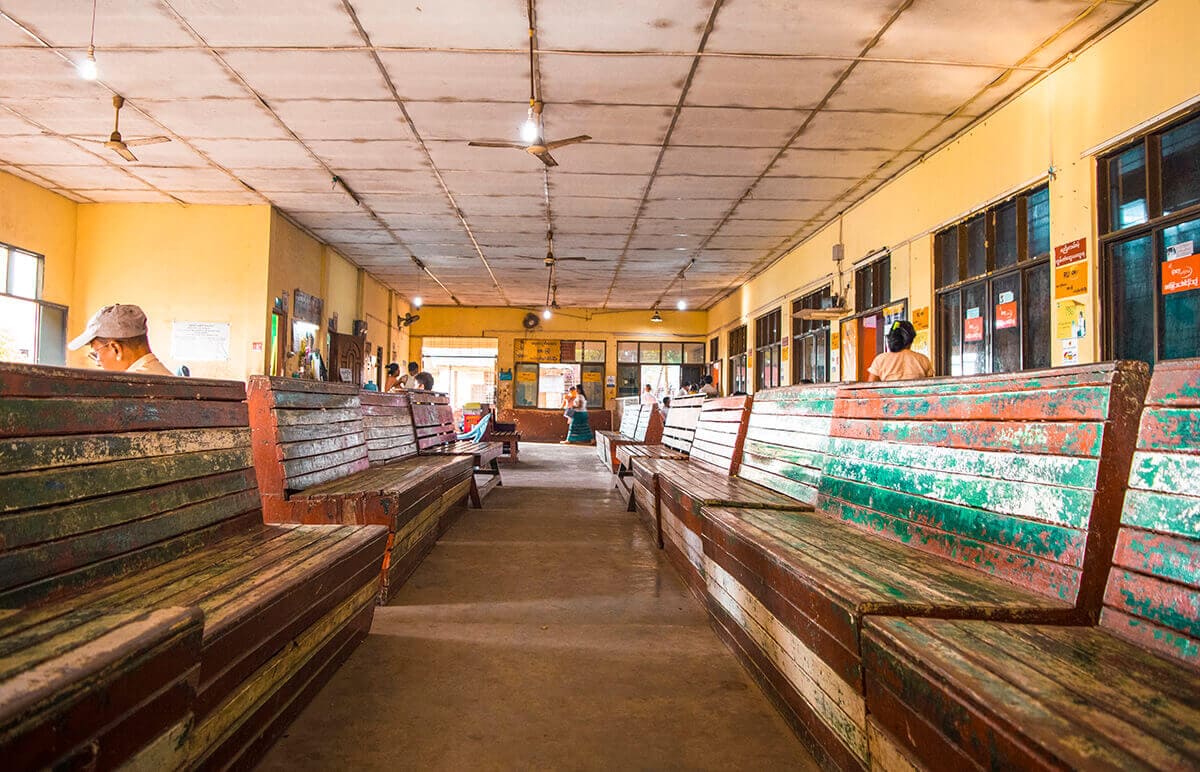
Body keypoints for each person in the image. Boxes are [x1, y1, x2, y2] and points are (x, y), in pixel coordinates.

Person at [68, 303, 172, 375]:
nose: (98, 362)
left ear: (116, 348)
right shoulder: (167, 377)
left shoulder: (126, 389)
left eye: (96, 353)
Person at [867, 320, 934, 382]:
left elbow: (871, 387)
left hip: (888, 395)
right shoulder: (923, 359)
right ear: (911, 339)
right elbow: (931, 386)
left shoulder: (880, 359)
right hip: (917, 394)